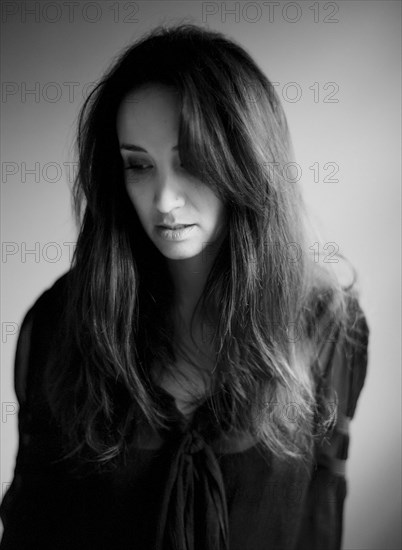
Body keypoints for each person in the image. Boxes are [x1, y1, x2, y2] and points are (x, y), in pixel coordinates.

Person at [0, 23, 369, 550]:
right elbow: (33, 522)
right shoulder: (63, 322)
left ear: (246, 159)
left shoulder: (327, 323)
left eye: (191, 160)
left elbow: (317, 519)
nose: (165, 198)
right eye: (139, 165)